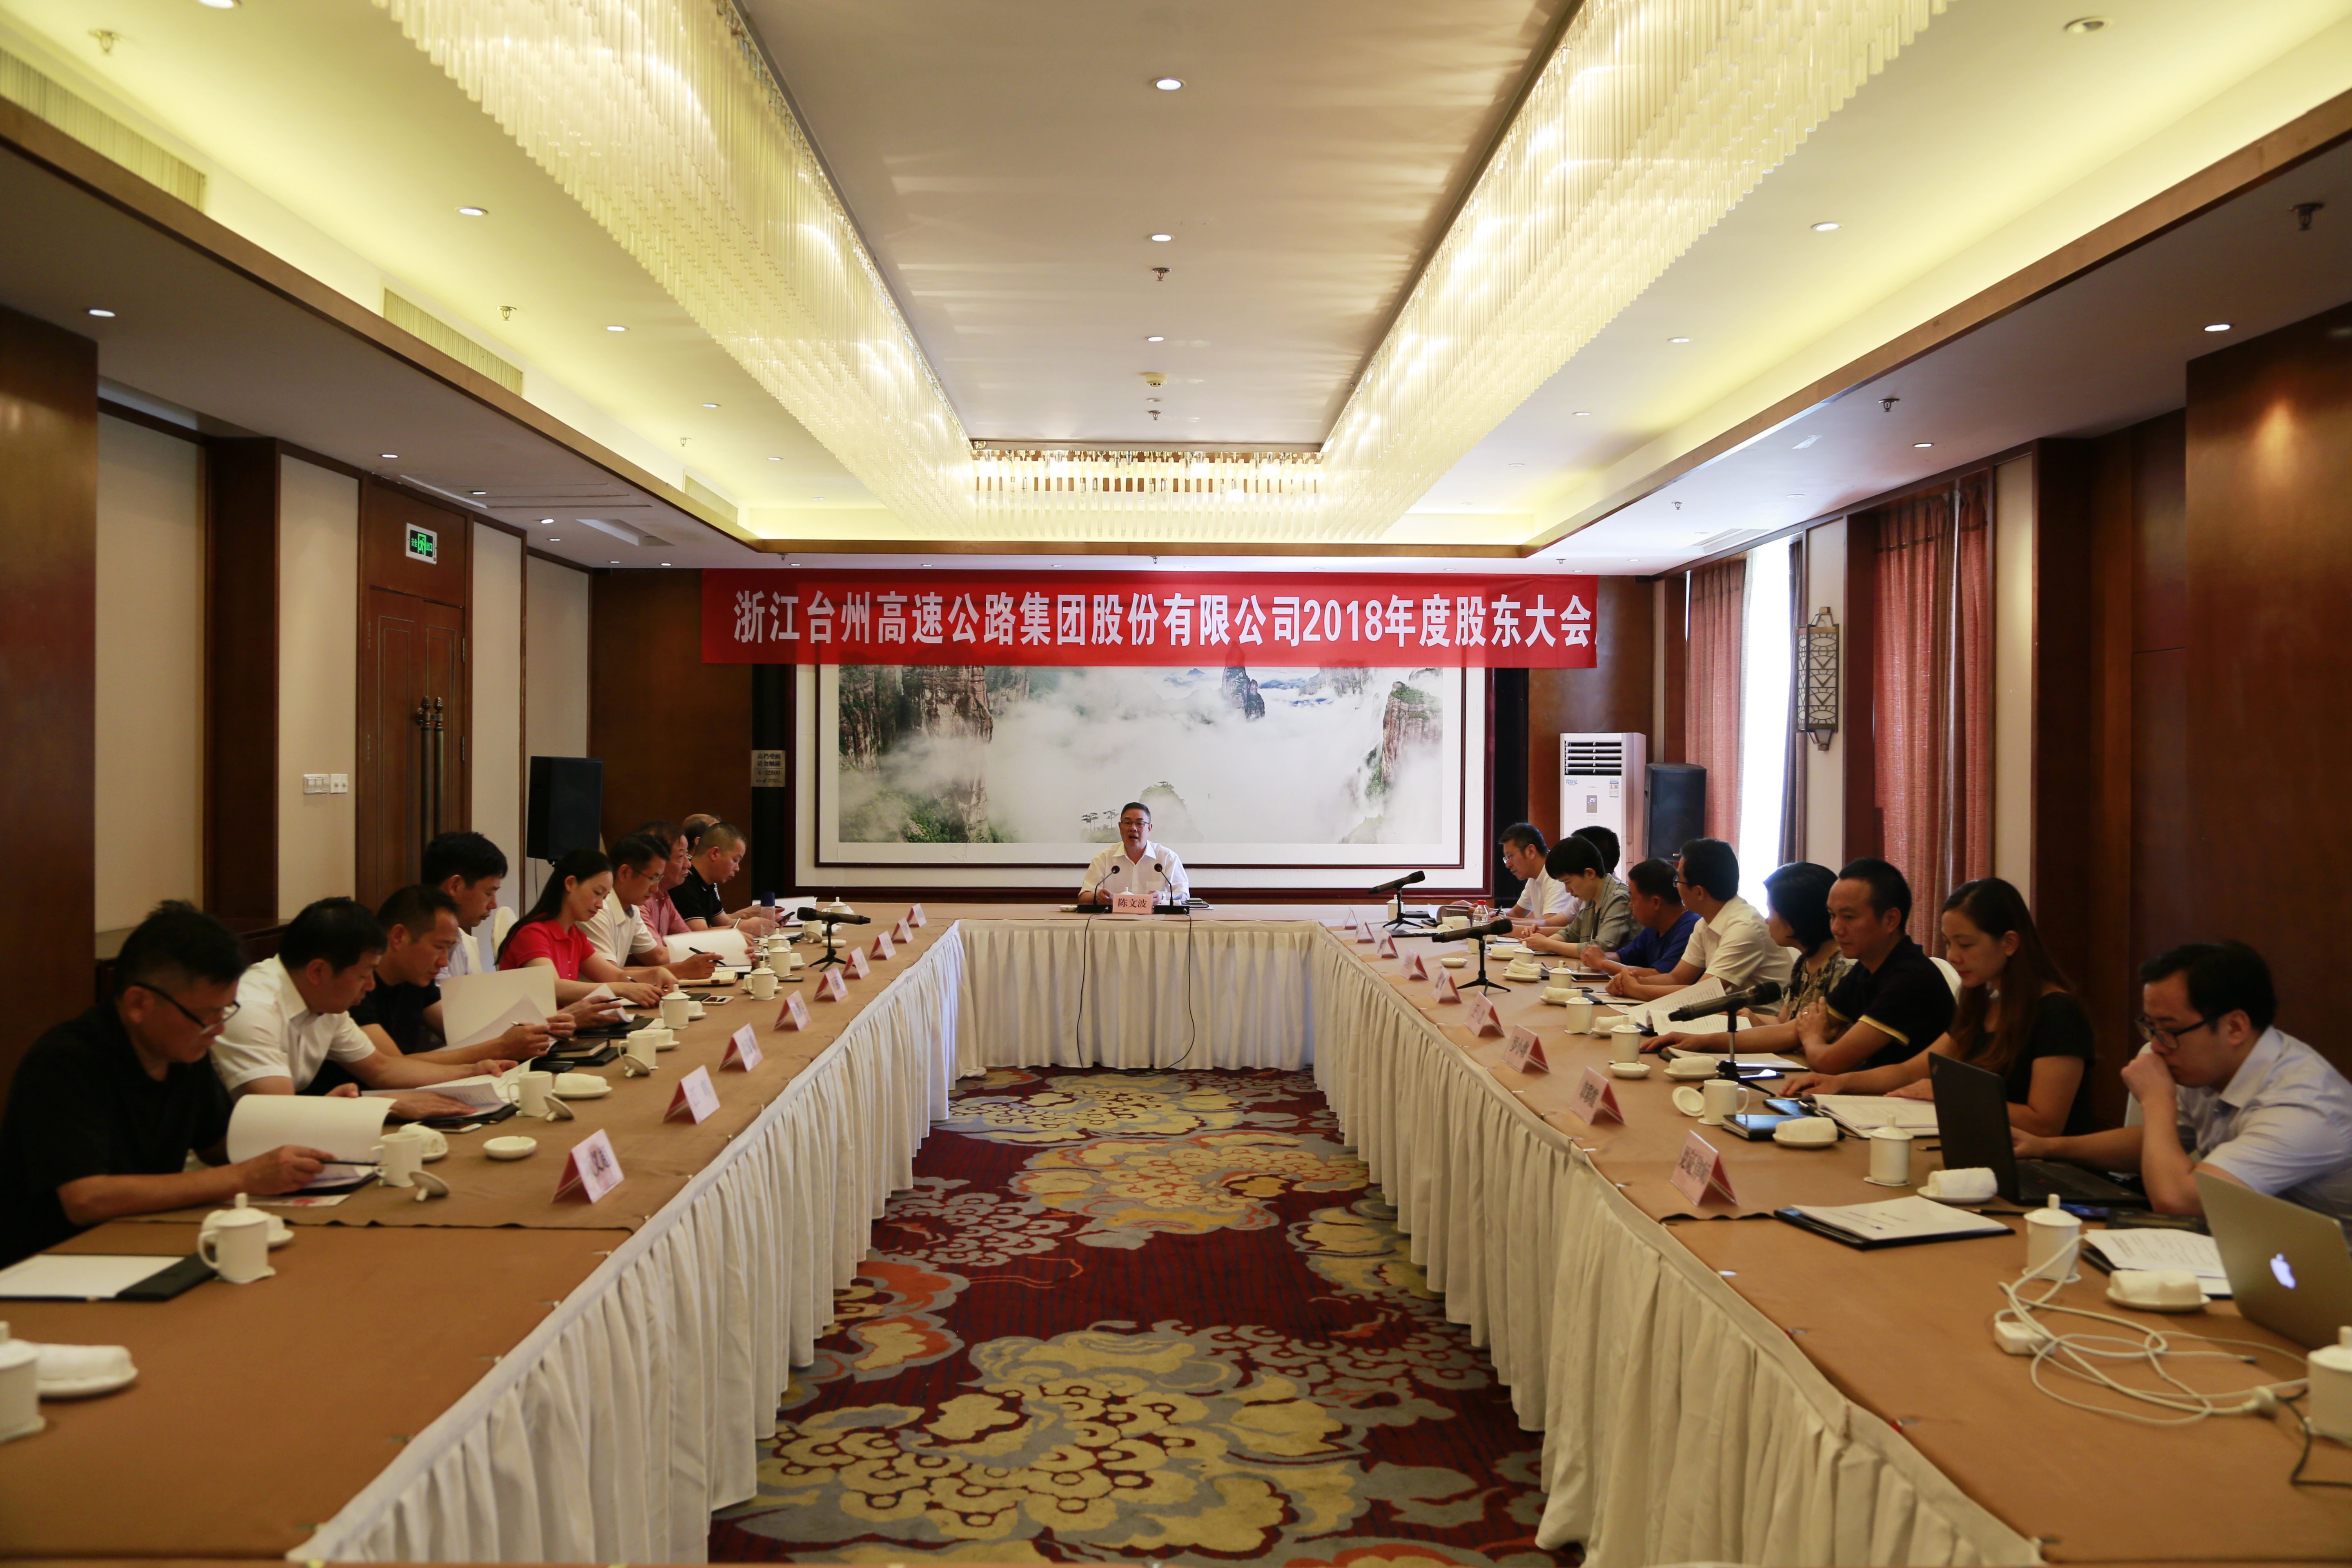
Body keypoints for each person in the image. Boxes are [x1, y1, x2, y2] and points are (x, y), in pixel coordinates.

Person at [0, 902, 337, 1265]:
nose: (219, 1029)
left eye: (225, 1011)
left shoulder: (183, 1052)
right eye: (207, 1014)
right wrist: (243, 1177)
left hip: (144, 1238)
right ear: (139, 1003)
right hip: (52, 1263)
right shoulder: (65, 1061)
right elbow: (86, 1199)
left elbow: (220, 1144)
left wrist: (319, 1122)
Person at [2016, 942, 2352, 1218]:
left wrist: (2157, 1100)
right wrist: (2046, 1147)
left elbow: (2178, 1201)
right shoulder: (2211, 1066)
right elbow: (2155, 1141)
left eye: (2170, 1030)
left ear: (2235, 1027)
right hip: (2258, 1245)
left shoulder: (2303, 1107)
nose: (2156, 1046)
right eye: (2151, 1028)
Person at [1787, 878, 2092, 1136]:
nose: (1954, 956)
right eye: (1948, 943)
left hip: (2046, 1168)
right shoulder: (1985, 1005)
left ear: (2009, 943)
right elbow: (1910, 1070)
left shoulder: (2058, 1013)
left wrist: (1951, 1096)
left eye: (1966, 944)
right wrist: (1841, 1082)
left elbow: (2046, 1123)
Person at [1656, 856, 1951, 1071]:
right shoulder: (1867, 968)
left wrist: (1811, 1038)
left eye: (1849, 917)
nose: (1837, 928)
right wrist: (1701, 1041)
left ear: (1891, 920)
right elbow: (1791, 1030)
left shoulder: (1905, 976)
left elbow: (1829, 1060)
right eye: (1832, 916)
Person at [209, 898, 486, 1120]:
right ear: (318, 971)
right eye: (364, 975)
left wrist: (476, 1071)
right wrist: (385, 1105)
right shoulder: (252, 1009)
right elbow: (281, 1114)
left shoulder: (325, 1000)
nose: (371, 986)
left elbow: (382, 1069)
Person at [350, 885, 560, 1064]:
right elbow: (393, 1066)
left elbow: (466, 1035)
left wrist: (545, 1027)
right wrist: (501, 1047)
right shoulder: (356, 988)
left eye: (449, 949)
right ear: (399, 937)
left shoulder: (414, 979)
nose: (444, 962)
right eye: (439, 947)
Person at [1654, 862, 1846, 1042]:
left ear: (1797, 915)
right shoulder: (1804, 962)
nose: (1767, 921)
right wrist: (1753, 1018)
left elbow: (1793, 1035)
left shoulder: (1843, 970)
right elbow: (1783, 1022)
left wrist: (1703, 1042)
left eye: (1771, 911)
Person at [1608, 839, 1791, 1000]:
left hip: (1758, 1023)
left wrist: (1636, 989)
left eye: (1678, 881)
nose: (1676, 888)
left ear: (1699, 892)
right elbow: (1676, 978)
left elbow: (1703, 993)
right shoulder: (1705, 922)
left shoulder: (1744, 927)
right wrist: (1634, 981)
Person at [499, 849, 663, 1007]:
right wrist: (623, 989)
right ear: (571, 883)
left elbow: (615, 976)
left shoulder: (574, 935)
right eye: (597, 893)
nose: (600, 905)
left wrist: (655, 974)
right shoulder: (532, 933)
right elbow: (553, 987)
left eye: (605, 897)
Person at [581, 832, 716, 984]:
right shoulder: (598, 910)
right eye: (653, 878)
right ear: (625, 873)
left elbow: (658, 955)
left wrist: (708, 958)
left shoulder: (631, 909)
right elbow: (609, 975)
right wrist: (681, 970)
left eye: (659, 879)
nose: (655, 888)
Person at [1579, 859, 1697, 979]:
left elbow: (1662, 977)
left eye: (1633, 900)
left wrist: (1603, 963)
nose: (1630, 905)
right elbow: (1621, 957)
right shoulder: (1654, 928)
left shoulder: (1690, 928)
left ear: (1656, 903)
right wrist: (1596, 956)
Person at [421, 830, 509, 981]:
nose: (494, 905)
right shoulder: (420, 941)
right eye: (489, 893)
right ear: (455, 886)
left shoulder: (455, 936)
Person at [1527, 835, 1630, 956]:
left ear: (1590, 873)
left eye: (1568, 882)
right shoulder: (1591, 898)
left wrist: (1548, 944)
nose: (1567, 890)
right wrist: (1538, 943)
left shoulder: (1618, 897)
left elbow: (1601, 949)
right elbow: (1571, 933)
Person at [671, 823, 774, 935]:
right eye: (735, 860)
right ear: (715, 854)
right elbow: (700, 934)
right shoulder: (684, 883)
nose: (737, 869)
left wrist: (761, 924)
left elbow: (724, 922)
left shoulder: (707, 885)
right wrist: (746, 927)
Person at [1080, 801, 1191, 903]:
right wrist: (1098, 896)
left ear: (1149, 828)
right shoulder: (1104, 858)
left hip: (1156, 918)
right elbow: (1084, 896)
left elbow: (1184, 895)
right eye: (1128, 823)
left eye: (1140, 823)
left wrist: (1162, 896)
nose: (1133, 828)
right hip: (1114, 918)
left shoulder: (1168, 858)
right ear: (1120, 827)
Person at [633, 819, 696, 955]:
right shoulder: (638, 900)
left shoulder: (663, 895)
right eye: (681, 856)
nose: (688, 864)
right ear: (658, 860)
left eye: (687, 855)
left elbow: (690, 941)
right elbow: (658, 956)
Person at [1499, 824, 1569, 929]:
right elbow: (1516, 914)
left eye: (1510, 856)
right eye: (1506, 859)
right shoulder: (1534, 877)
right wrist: (1486, 912)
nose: (1508, 865)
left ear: (1531, 852)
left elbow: (1549, 924)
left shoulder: (1558, 875)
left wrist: (1502, 922)